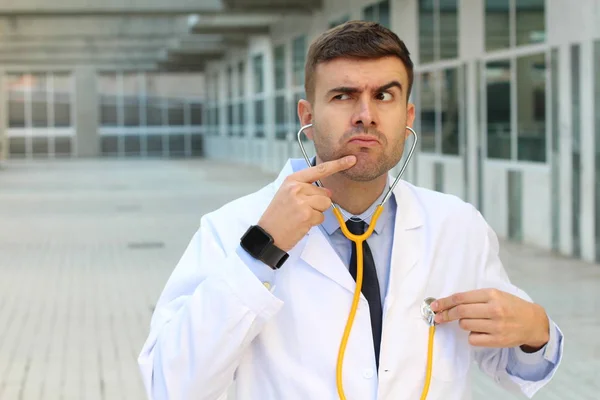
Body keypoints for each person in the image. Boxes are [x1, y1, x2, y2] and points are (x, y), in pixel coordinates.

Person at [138, 21, 563, 400]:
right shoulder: (233, 229)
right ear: (307, 114)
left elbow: (511, 365)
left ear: (407, 114)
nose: (366, 116)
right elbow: (172, 386)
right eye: (343, 96)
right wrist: (260, 253)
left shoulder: (455, 225)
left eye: (385, 96)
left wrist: (535, 332)